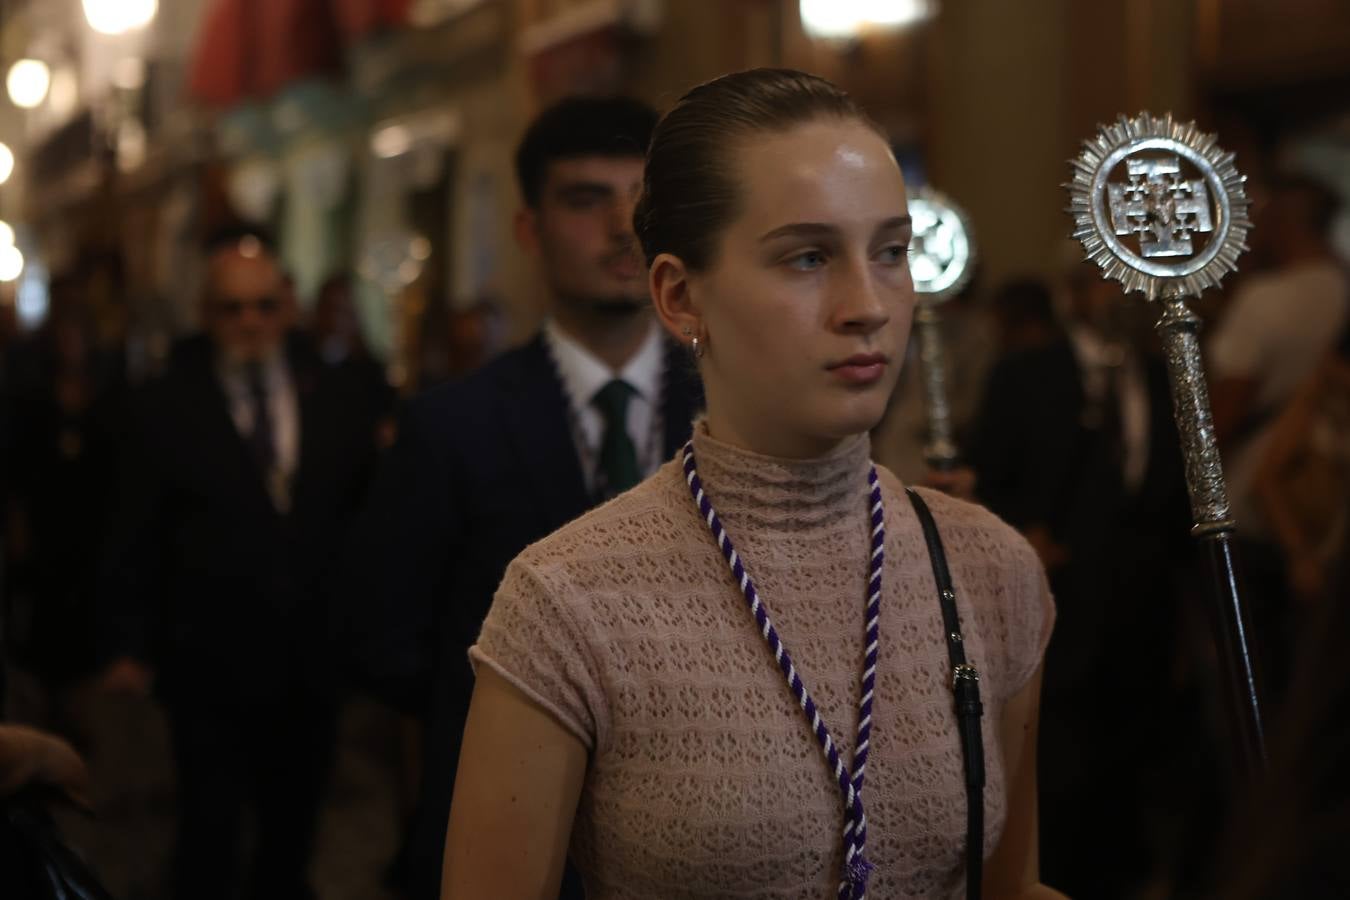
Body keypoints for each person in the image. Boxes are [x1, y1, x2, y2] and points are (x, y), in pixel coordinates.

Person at [443, 68, 1061, 899]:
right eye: (807, 257)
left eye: (891, 251)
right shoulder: (569, 600)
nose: (868, 305)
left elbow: (1011, 886)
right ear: (679, 296)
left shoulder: (989, 567)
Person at [352, 96, 702, 899]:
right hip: (507, 836)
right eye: (585, 199)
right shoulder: (452, 426)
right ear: (528, 229)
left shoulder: (731, 409)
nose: (622, 228)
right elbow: (383, 640)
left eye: (641, 200)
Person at [97, 227, 383, 900]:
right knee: (210, 831)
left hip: (310, 657)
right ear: (207, 313)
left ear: (287, 307)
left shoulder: (335, 394)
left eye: (263, 306)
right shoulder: (164, 406)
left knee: (294, 828)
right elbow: (132, 529)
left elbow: (360, 516)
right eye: (232, 308)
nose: (250, 322)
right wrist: (126, 642)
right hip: (207, 658)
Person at [969, 260, 1193, 898]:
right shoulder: (1026, 374)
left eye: (1133, 283)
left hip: (1141, 601)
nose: (1120, 296)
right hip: (1058, 595)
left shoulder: (1164, 374)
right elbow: (988, 477)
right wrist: (1023, 535)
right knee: (1059, 755)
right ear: (1074, 291)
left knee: (1132, 751)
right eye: (1105, 281)